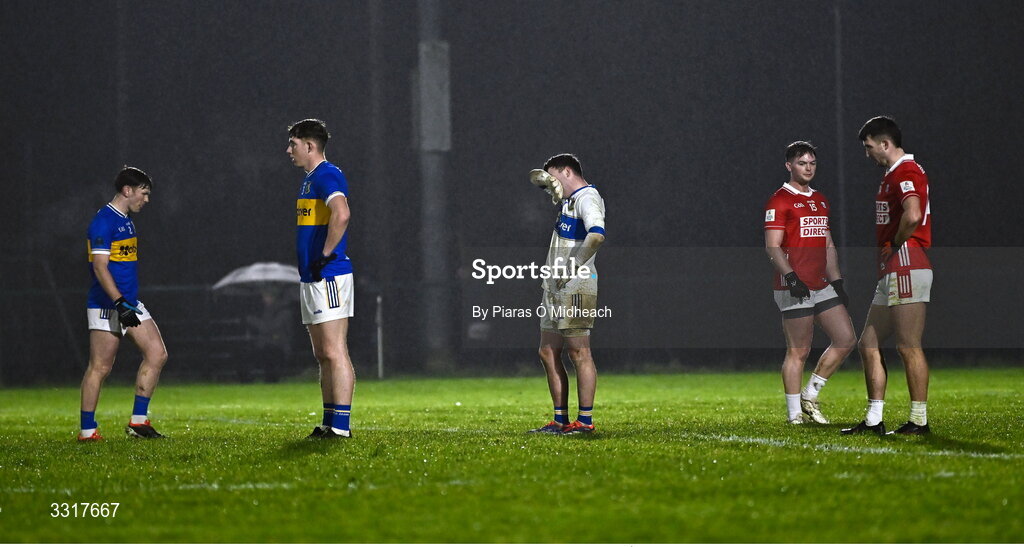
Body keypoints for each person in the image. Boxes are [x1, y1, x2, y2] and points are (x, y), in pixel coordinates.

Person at [842, 116, 933, 436]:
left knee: (909, 346)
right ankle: (873, 420)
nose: (868, 154)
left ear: (885, 143)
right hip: (894, 266)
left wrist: (896, 243)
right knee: (868, 342)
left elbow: (913, 214)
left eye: (869, 147)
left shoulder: (906, 170)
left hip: (906, 261)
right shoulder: (891, 174)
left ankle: (919, 421)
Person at [764, 141, 856, 425]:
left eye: (812, 163)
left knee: (846, 339)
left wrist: (837, 279)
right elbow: (772, 246)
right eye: (802, 163)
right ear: (789, 166)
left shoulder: (820, 200)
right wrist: (791, 277)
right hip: (794, 286)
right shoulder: (780, 199)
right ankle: (794, 416)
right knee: (799, 351)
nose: (808, 168)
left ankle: (810, 394)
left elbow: (827, 243)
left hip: (820, 284)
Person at [79, 167, 169, 441]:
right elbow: (100, 268)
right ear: (127, 190)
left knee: (157, 354)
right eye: (144, 193)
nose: (147, 199)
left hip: (129, 303)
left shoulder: (126, 220)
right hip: (109, 305)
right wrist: (119, 303)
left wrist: (127, 303)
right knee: (100, 367)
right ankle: (87, 431)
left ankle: (138, 423)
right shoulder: (103, 222)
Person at [527, 154, 606, 435]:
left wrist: (570, 267)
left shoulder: (587, 197)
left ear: (567, 171)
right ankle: (560, 420)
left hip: (576, 284)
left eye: (552, 177)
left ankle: (584, 422)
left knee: (579, 351)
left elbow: (596, 235)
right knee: (548, 351)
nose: (550, 185)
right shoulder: (568, 202)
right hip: (556, 285)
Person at [287, 118, 355, 439]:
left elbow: (342, 213)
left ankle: (341, 427)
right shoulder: (309, 179)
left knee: (334, 350)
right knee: (322, 354)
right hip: (312, 277)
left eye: (294, 144)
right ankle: (329, 422)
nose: (289, 150)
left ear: (310, 145)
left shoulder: (327, 174)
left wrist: (326, 254)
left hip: (328, 275)